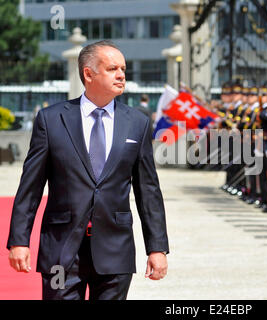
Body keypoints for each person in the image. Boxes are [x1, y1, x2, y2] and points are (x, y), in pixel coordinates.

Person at [7, 40, 169, 300]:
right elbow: (31, 186)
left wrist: (157, 247)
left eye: (123, 69)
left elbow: (148, 189)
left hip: (115, 251)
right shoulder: (51, 120)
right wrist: (19, 240)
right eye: (112, 68)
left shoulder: (136, 123)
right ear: (88, 74)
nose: (121, 75)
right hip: (61, 251)